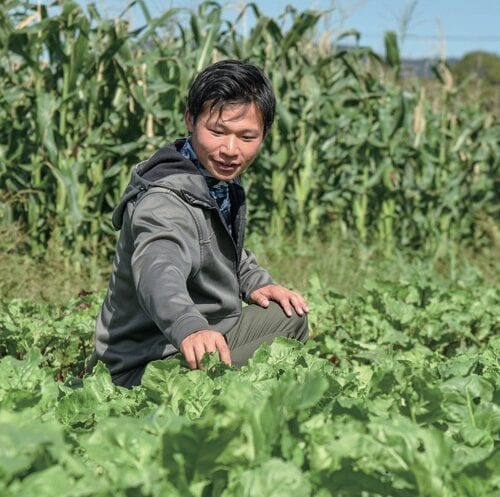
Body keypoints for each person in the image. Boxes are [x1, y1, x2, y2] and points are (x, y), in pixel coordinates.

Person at [93, 59, 309, 387]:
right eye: (217, 131)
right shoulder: (163, 201)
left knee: (290, 316)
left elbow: (219, 248)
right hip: (146, 361)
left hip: (200, 335)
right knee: (214, 385)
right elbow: (157, 271)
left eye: (247, 136)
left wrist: (255, 281)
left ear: (263, 135)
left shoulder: (216, 183)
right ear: (190, 121)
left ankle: (222, 386)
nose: (230, 150)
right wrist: (189, 325)